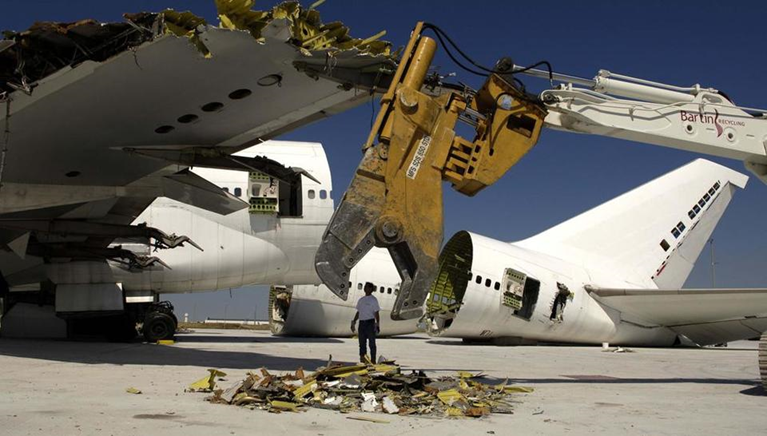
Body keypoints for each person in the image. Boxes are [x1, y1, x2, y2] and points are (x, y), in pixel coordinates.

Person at [351, 282, 380, 364]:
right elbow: (358, 312)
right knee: (362, 342)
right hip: (362, 323)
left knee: (372, 343)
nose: (365, 288)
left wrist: (377, 324)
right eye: (364, 287)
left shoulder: (373, 300)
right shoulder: (361, 300)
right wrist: (354, 321)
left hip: (370, 323)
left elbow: (376, 313)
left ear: (371, 289)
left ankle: (373, 360)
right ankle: (363, 359)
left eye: (366, 287)